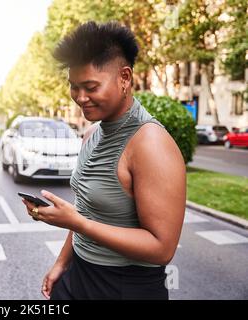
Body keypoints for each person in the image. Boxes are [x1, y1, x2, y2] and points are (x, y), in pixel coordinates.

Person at [21, 21, 186, 300]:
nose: (80, 98)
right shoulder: (91, 134)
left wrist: (75, 222)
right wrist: (62, 264)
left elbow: (162, 249)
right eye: (74, 87)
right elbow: (87, 212)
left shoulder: (151, 144)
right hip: (79, 275)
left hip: (124, 288)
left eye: (91, 87)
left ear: (124, 77)